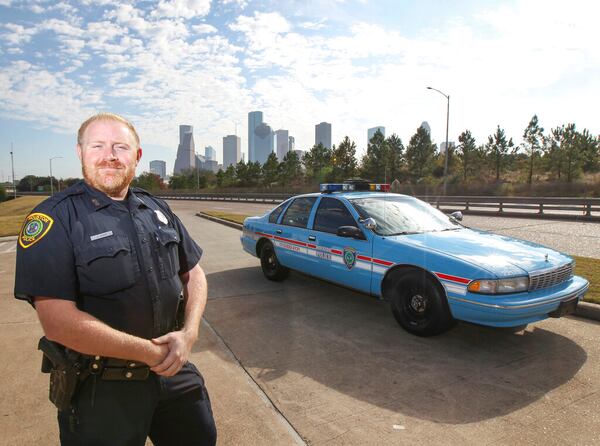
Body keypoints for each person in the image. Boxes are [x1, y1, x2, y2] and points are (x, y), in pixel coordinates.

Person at [14, 113, 217, 446]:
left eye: (121, 147)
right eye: (98, 145)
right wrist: (150, 353)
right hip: (101, 390)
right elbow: (58, 322)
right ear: (81, 153)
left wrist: (190, 333)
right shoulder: (54, 219)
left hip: (174, 372)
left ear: (136, 157)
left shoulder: (157, 209)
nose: (110, 155)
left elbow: (193, 271)